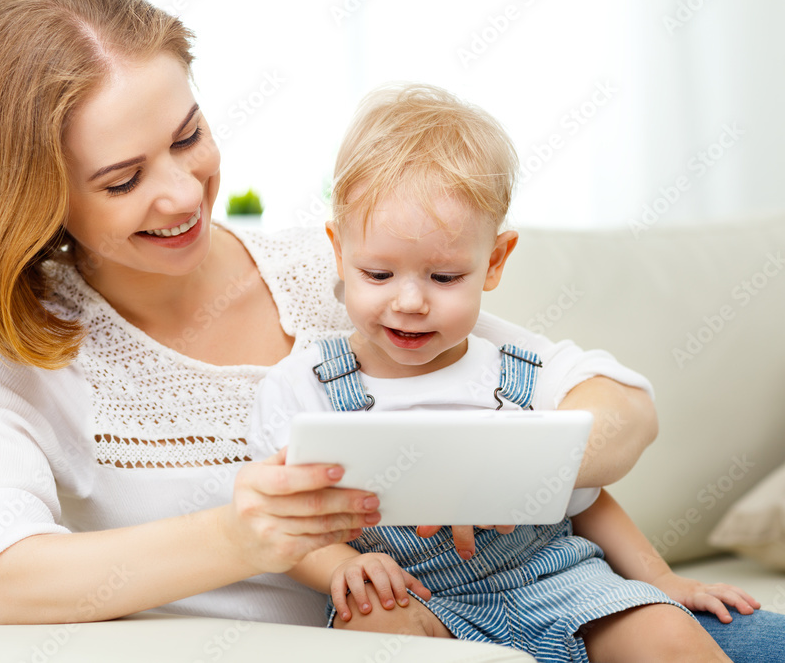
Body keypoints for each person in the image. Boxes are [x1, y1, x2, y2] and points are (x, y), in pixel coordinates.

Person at [0, 0, 783, 656]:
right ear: (35, 194)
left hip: (554, 590)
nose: (180, 194)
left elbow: (600, 403)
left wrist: (507, 465)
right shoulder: (30, 342)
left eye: (188, 136)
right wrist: (241, 537)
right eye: (122, 177)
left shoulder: (339, 275)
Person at [246, 83, 762, 662]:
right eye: (378, 274)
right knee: (372, 630)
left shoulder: (520, 374)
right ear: (338, 252)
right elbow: (286, 522)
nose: (410, 302)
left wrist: (658, 578)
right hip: (408, 594)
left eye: (443, 278)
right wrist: (344, 564)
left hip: (554, 581)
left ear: (494, 262)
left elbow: (587, 497)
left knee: (668, 634)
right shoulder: (303, 387)